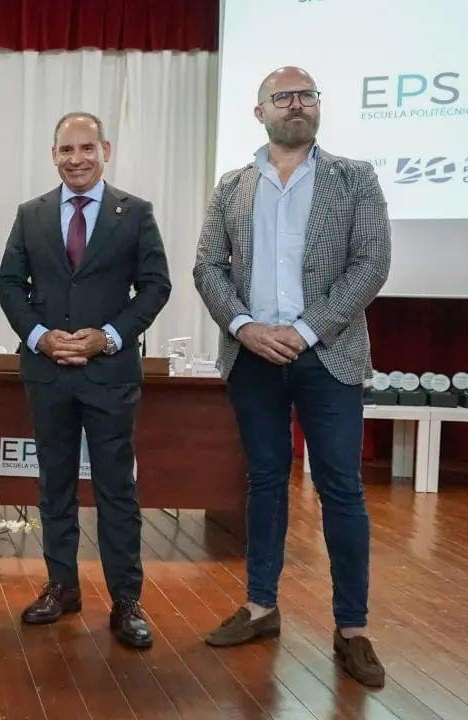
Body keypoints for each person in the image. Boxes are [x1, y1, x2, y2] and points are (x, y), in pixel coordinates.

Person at [193, 66, 391, 687]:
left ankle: (353, 628)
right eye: (284, 97)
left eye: (307, 95)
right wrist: (245, 327)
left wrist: (306, 331)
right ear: (260, 113)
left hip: (326, 356)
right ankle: (260, 607)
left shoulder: (353, 177)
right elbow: (208, 266)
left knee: (341, 489)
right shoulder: (233, 185)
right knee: (265, 482)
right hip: (252, 357)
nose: (297, 104)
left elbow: (372, 263)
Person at [0, 112, 171, 648]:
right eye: (66, 149)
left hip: (109, 374)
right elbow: (8, 284)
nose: (76, 158)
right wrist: (40, 336)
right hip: (48, 374)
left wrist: (111, 336)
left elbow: (156, 286)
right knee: (54, 485)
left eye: (86, 148)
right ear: (54, 154)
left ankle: (126, 600)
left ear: (105, 150)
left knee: (118, 489)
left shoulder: (134, 212)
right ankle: (61, 587)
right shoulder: (31, 214)